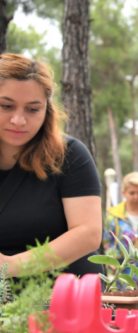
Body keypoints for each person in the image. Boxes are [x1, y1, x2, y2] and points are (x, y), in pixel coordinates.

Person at [0, 53, 102, 277]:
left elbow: (89, 233)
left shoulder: (71, 155)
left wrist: (10, 267)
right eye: (6, 106)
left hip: (63, 297)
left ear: (47, 111)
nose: (19, 120)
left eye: (33, 109)